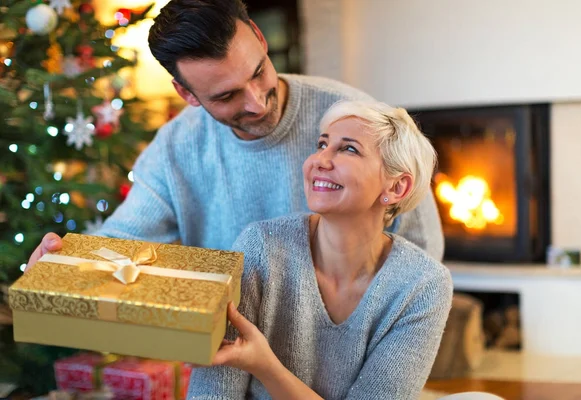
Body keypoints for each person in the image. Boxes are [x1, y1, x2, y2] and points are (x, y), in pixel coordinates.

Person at [26, 0, 443, 270]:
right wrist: (65, 257)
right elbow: (121, 241)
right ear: (186, 93)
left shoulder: (349, 116)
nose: (258, 103)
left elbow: (421, 250)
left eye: (259, 71)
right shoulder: (176, 149)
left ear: (259, 38)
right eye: (226, 96)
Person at [187, 100, 453, 400]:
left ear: (396, 188)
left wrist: (265, 366)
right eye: (321, 144)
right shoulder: (262, 246)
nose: (319, 161)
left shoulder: (422, 284)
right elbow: (211, 393)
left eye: (348, 149)